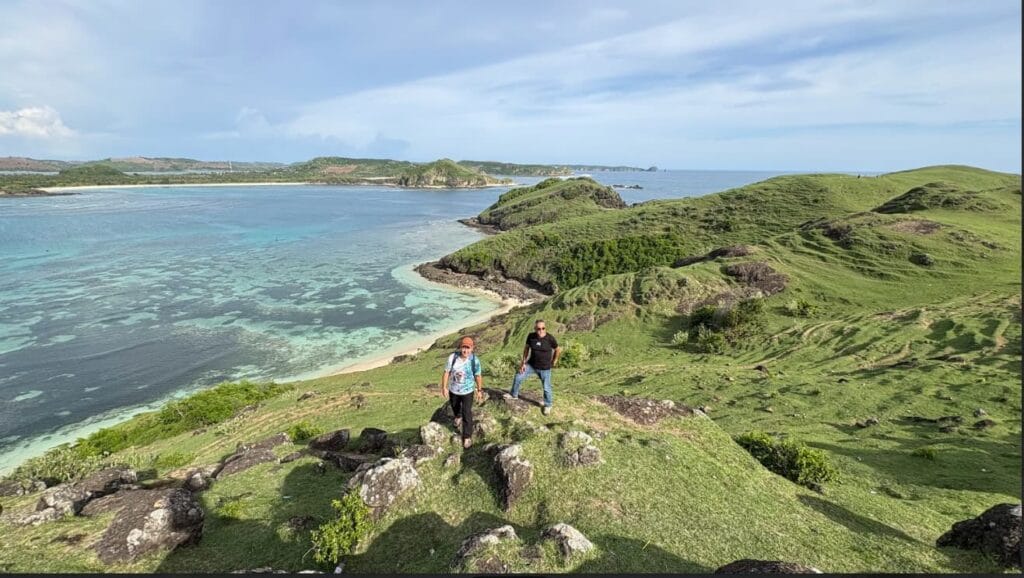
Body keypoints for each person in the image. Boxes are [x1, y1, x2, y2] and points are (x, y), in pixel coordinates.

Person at [440, 336, 484, 448]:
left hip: (468, 391)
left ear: (472, 348)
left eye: (468, 348)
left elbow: (478, 376)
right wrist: (444, 387)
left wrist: (479, 390)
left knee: (467, 413)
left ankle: (467, 436)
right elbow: (446, 372)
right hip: (454, 390)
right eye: (464, 347)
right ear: (460, 347)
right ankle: (457, 416)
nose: (465, 350)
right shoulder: (453, 358)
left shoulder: (474, 360)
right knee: (454, 406)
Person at [510, 319, 560, 415]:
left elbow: (557, 349)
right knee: (518, 376)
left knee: (546, 387)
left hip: (545, 368)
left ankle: (548, 405)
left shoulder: (550, 338)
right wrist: (523, 363)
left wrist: (555, 360)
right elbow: (526, 348)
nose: (541, 330)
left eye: (543, 328)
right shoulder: (531, 336)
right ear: (535, 329)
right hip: (531, 365)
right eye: (538, 329)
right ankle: (514, 395)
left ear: (545, 328)